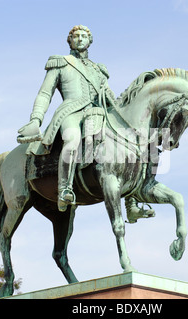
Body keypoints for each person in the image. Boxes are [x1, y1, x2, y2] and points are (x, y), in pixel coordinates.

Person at [17, 25, 115, 211]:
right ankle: (65, 189)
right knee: (72, 140)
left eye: (83, 36)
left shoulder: (99, 70)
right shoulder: (60, 62)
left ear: (89, 40)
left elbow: (110, 98)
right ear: (69, 40)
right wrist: (36, 119)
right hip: (71, 112)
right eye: (76, 36)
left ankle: (132, 200)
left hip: (97, 114)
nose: (80, 39)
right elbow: (45, 94)